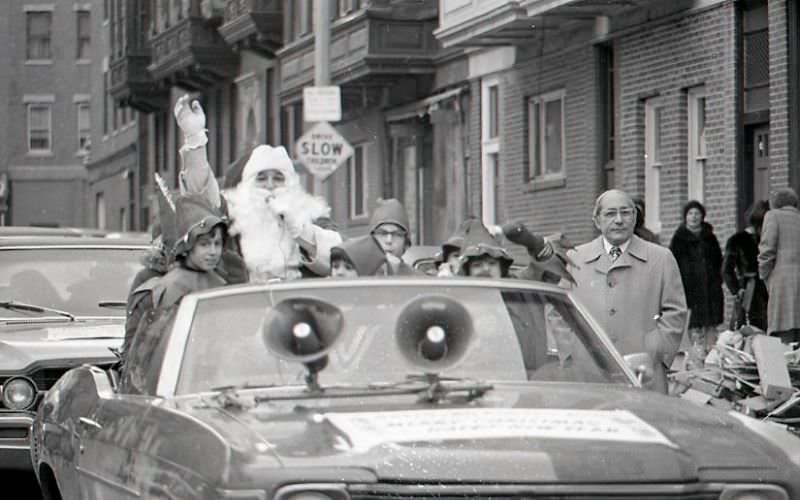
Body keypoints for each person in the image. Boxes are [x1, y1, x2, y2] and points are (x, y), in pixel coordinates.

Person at [174, 95, 341, 282]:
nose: (270, 186)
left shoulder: (313, 216)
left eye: (278, 178)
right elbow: (200, 194)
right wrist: (195, 138)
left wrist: (301, 230)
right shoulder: (232, 217)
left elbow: (339, 258)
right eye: (261, 179)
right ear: (246, 185)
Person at [567, 189, 688, 393]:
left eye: (626, 213)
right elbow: (558, 311)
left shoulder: (661, 258)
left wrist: (655, 351)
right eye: (610, 214)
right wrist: (572, 352)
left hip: (644, 373)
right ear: (597, 221)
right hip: (587, 372)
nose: (619, 220)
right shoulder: (575, 258)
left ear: (635, 218)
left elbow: (675, 313)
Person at [121, 193, 228, 387]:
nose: (213, 251)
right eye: (204, 244)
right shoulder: (158, 289)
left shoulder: (222, 284)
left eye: (217, 244)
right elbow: (140, 354)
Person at [668, 200, 724, 351]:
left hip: (710, 289)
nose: (693, 217)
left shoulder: (709, 237)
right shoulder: (679, 239)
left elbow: (718, 260)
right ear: (685, 217)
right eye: (690, 213)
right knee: (694, 326)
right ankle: (696, 356)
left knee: (711, 326)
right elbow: (672, 264)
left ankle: (711, 355)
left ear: (702, 216)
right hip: (689, 289)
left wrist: (717, 279)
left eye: (697, 213)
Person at [758, 187, 800, 343]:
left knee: (782, 337)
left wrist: (765, 276)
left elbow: (767, 250)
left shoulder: (773, 216)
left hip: (782, 283)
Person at [722, 200, 769, 331]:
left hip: (767, 287)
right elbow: (727, 269)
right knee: (748, 326)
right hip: (749, 288)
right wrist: (736, 289)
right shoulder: (737, 239)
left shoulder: (768, 238)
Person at [368, 198, 416, 275]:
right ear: (371, 239)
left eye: (396, 234)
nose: (389, 240)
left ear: (406, 243)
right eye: (382, 233)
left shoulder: (419, 281)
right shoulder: (358, 278)